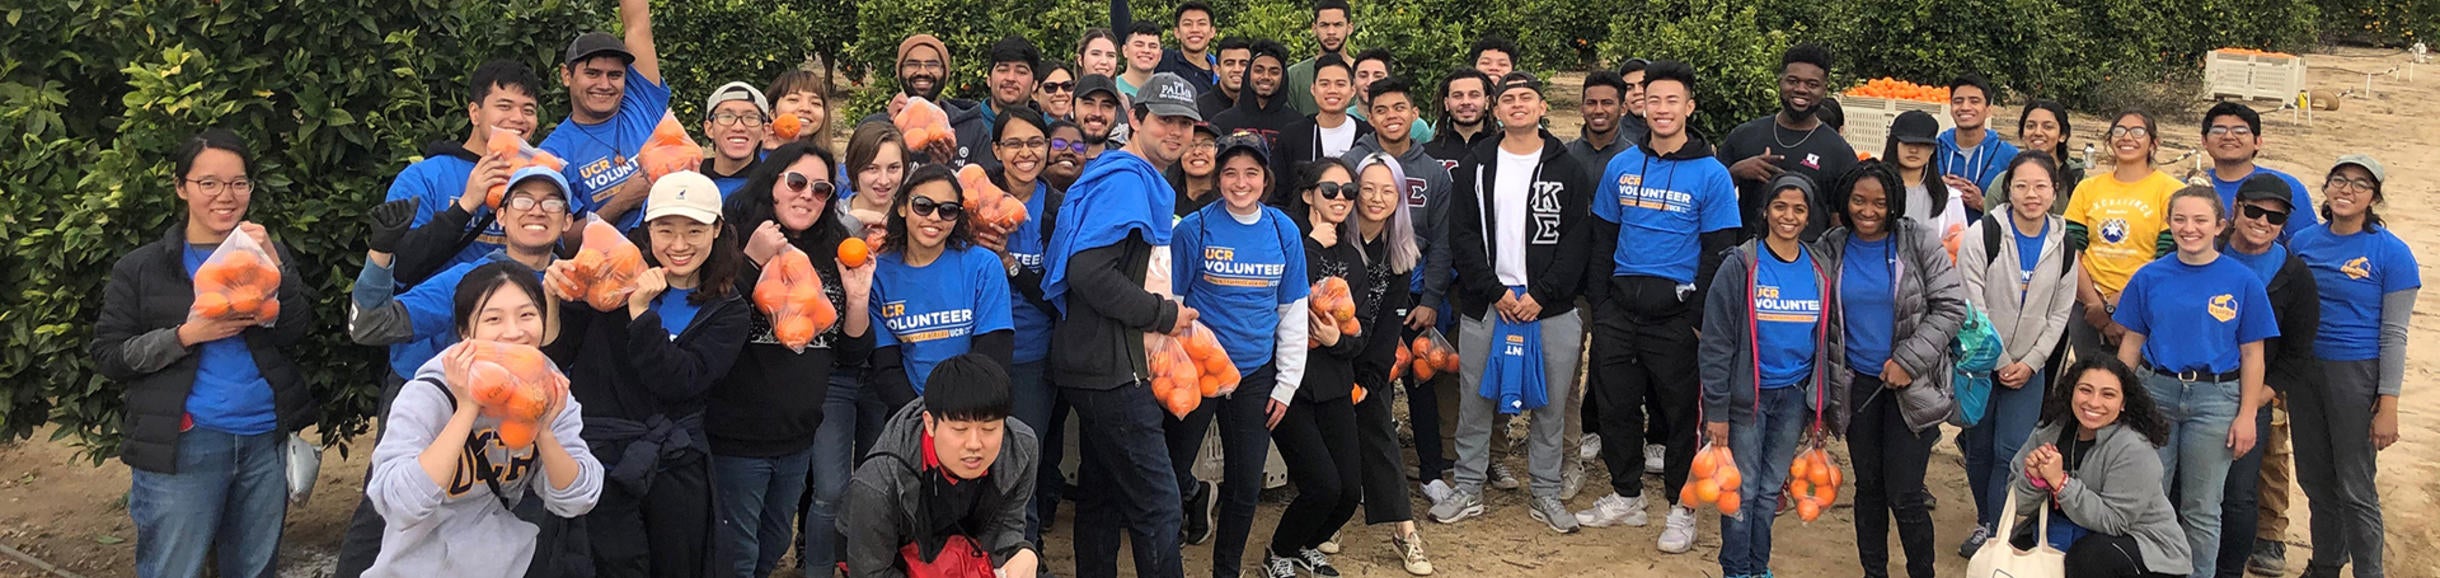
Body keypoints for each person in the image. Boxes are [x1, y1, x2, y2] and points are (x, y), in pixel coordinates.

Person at [91, 129, 316, 578]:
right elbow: (110, 355)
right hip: (186, 444)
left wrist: (276, 262)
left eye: (238, 183)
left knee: (254, 569)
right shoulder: (143, 268)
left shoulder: (263, 253)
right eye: (208, 183)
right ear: (182, 187)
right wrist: (187, 334)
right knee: (174, 568)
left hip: (262, 441)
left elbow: (295, 330)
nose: (225, 196)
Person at [344, 160, 584, 576]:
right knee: (388, 520)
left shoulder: (582, 282)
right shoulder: (472, 279)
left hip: (536, 446)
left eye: (552, 203)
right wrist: (380, 254)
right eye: (523, 199)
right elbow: (371, 324)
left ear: (567, 220)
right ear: (502, 215)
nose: (537, 210)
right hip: (456, 425)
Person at [541, 171, 751, 578]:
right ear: (647, 228)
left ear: (717, 231)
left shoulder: (727, 309)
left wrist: (640, 313)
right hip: (603, 459)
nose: (678, 245)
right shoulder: (609, 280)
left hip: (674, 464)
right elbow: (555, 357)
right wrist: (553, 299)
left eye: (694, 230)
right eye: (665, 229)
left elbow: (680, 382)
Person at [1040, 72, 1205, 578]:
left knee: (1102, 495)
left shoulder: (1126, 176)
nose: (1176, 133)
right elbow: (1089, 272)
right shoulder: (1127, 182)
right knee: (1159, 504)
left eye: (1185, 124)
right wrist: (1164, 315)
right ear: (1135, 119)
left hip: (1093, 362)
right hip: (1111, 368)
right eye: (1164, 121)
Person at [1577, 61, 1740, 554]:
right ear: (1641, 106)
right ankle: (1627, 494)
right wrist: (1602, 305)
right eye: (1654, 100)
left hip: (1676, 317)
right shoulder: (1621, 165)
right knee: (1615, 408)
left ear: (1689, 107)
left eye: (1673, 100)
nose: (1662, 109)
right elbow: (1602, 240)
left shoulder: (1711, 174)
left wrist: (1696, 320)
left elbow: (1720, 251)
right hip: (1619, 312)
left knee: (1676, 416)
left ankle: (1680, 506)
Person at [1427, 72, 1595, 536]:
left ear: (1543, 107)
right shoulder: (1477, 164)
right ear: (1495, 110)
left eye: (1527, 98)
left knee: (1551, 404)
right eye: (1508, 99)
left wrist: (1542, 294)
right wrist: (1494, 290)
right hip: (1489, 305)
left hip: (1551, 308)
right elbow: (1461, 235)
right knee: (1476, 399)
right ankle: (1467, 487)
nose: (1517, 105)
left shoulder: (1567, 166)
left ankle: (1544, 491)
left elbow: (1579, 239)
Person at [359, 263, 605, 578]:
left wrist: (543, 432)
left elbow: (578, 498)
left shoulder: (550, 390)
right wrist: (466, 409)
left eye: (527, 315)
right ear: (465, 333)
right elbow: (399, 505)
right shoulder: (429, 394)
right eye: (493, 319)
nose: (514, 331)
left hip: (506, 565)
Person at [709, 143, 878, 578]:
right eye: (797, 182)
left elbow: (852, 353)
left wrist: (857, 298)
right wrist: (751, 259)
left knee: (774, 546)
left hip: (798, 437)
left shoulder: (835, 251)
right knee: (736, 556)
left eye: (821, 189)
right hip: (738, 438)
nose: (807, 195)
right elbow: (711, 324)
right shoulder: (729, 241)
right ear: (773, 185)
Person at [2111, 186, 2278, 578]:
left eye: (2200, 220)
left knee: (2202, 507)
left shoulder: (2242, 281)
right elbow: (2131, 344)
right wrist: (2120, 400)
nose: (2190, 228)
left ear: (2220, 225)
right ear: (2169, 224)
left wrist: (2247, 415)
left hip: (2216, 399)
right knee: (2151, 496)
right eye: (2180, 219)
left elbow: (2254, 354)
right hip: (2156, 392)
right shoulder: (2149, 276)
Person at [1164, 133, 1309, 578]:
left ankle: (1225, 570)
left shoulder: (1284, 229)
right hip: (1199, 371)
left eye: (1251, 173)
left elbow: (1292, 309)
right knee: (1170, 473)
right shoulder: (1195, 228)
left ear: (1266, 178)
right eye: (1229, 172)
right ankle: (1166, 561)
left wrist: (1286, 384)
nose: (1240, 182)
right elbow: (1173, 300)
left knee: (1245, 482)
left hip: (1254, 373)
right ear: (1216, 175)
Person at [1818, 161, 1969, 578]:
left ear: (1894, 205)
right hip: (1857, 386)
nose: (1869, 211)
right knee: (1869, 488)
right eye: (1859, 201)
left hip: (1912, 386)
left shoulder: (1917, 241)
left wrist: (1908, 360)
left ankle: (1923, 571)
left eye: (1880, 203)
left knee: (1904, 492)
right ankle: (1874, 572)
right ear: (1846, 202)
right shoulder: (1832, 246)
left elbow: (1952, 307)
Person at [1699, 174, 1841, 578]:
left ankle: (1757, 566)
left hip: (1793, 398)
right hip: (1749, 400)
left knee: (1767, 490)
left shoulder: (1819, 268)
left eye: (1798, 209)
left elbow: (1826, 342)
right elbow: (1716, 343)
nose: (1788, 216)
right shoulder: (1742, 265)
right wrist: (1718, 410)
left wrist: (1820, 408)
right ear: (1765, 210)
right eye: (1780, 207)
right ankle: (1735, 568)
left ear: (1809, 215)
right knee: (1740, 490)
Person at [2288, 154, 2415, 578]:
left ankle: (2368, 571)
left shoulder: (2392, 253)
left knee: (2355, 487)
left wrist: (2388, 403)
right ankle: (2325, 563)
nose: (2347, 190)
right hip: (2305, 372)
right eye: (2339, 180)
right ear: (2325, 189)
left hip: (2356, 375)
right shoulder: (2302, 243)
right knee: (2315, 479)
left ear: (2374, 197)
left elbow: (2394, 333)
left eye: (2361, 185)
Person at [1954, 151, 2079, 556]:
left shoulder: (2064, 244)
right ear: (2008, 190)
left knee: (2012, 452)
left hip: (2031, 367)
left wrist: (2031, 362)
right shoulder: (1984, 234)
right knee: (1979, 449)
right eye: (2022, 185)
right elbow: (1973, 304)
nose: (2031, 194)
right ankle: (1984, 520)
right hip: (1980, 365)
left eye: (2041, 186)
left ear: (2054, 192)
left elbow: (2060, 313)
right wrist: (2002, 360)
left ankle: (1997, 533)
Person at [1259, 160, 1375, 578]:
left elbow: (1359, 332)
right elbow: (1277, 296)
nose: (1341, 198)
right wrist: (1309, 243)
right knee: (1322, 485)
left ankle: (1305, 545)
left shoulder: (1353, 259)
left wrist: (1336, 341)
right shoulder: (1286, 242)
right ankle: (1279, 552)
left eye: (1349, 190)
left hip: (1334, 383)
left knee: (1347, 492)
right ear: (1308, 195)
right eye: (1331, 190)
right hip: (1291, 386)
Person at [1343, 76, 1458, 482]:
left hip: (1414, 290)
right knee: (1371, 383)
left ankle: (1430, 473)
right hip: (1363, 292)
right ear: (1368, 116)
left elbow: (1443, 241)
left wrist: (1430, 298)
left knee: (1421, 380)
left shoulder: (1434, 172)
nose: (1391, 117)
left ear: (1415, 114)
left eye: (1399, 109)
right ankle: (1361, 473)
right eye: (1381, 110)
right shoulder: (1355, 164)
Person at [838, 354, 1043, 578]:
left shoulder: (1020, 448)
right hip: (883, 551)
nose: (975, 444)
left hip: (964, 540)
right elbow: (871, 571)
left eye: (989, 429)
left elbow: (1008, 523)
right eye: (960, 429)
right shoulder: (879, 483)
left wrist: (1023, 552)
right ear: (930, 423)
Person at [969, 107, 1071, 550]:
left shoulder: (1057, 210)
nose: (1025, 153)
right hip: (972, 349)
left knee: (1021, 460)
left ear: (1047, 149)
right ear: (996, 150)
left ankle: (1022, 551)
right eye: (1013, 143)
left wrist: (1009, 262)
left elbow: (1058, 297)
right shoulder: (972, 200)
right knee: (972, 457)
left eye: (1034, 143)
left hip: (1032, 352)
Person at [2213, 174, 2320, 578]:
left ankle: (2229, 570)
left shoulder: (2294, 275)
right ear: (2236, 208)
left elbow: (2297, 348)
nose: (2262, 221)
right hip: (2196, 389)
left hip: (2253, 397)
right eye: (2255, 210)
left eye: (2274, 217)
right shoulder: (2205, 251)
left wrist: (2261, 395)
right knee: (2187, 489)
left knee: (2240, 493)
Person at [2005, 356, 2194, 578]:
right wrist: (2034, 480)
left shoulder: (2134, 448)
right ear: (2071, 392)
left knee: (2089, 557)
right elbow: (2018, 505)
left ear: (2123, 403)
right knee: (2016, 554)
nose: (2094, 403)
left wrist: (2061, 483)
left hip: (2146, 550)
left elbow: (2113, 522)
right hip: (2068, 532)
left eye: (2108, 394)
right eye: (2085, 390)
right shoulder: (2049, 431)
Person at [1345, 153, 1436, 575]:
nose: (1377, 198)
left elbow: (1390, 324)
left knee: (1378, 431)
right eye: (1369, 188)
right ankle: (1333, 520)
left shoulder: (1400, 249)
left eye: (1388, 190)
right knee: (1335, 440)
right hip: (1325, 353)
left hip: (1371, 358)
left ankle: (1405, 531)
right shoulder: (1335, 240)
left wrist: (1371, 376)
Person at [377, 60, 543, 286]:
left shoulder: (538, 179)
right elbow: (400, 266)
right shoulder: (423, 176)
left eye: (528, 110)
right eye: (504, 106)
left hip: (513, 315)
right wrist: (465, 206)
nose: (518, 118)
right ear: (475, 113)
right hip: (436, 314)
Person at [869, 164, 1016, 407]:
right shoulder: (879, 274)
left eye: (948, 210)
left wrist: (959, 416)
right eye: (923, 206)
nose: (935, 217)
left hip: (973, 408)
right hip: (910, 411)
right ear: (902, 207)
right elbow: (886, 365)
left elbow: (994, 351)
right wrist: (918, 419)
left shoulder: (982, 265)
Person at [2064, 112, 2180, 368]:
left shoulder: (2170, 190)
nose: (2127, 137)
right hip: (2086, 307)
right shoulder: (2087, 188)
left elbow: (2165, 258)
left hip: (2143, 304)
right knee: (2091, 383)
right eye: (2119, 131)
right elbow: (2072, 251)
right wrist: (2095, 304)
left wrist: (2115, 307)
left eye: (2138, 131)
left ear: (2154, 143)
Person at [539, 0, 665, 231]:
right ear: (567, 76)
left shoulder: (641, 103)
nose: (604, 84)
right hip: (614, 263)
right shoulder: (552, 155)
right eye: (592, 73)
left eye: (615, 75)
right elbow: (558, 242)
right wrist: (622, 202)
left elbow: (638, 26)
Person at [1718, 43, 1858, 241]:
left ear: (1824, 89)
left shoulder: (1839, 152)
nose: (1801, 89)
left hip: (1808, 263)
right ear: (1780, 82)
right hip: (1747, 260)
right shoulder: (1744, 136)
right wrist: (1734, 174)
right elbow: (1709, 203)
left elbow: (1841, 225)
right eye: (1793, 81)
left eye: (1812, 84)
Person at [858, 34, 992, 168]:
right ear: (900, 71)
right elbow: (856, 182)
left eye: (932, 64)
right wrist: (892, 132)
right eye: (912, 64)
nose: (923, 71)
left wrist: (944, 167)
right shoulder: (874, 127)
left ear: (945, 72)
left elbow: (983, 184)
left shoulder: (973, 129)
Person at [2201, 102, 2319, 242]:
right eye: (2218, 130)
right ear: (2204, 141)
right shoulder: (2189, 187)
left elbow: (2306, 244)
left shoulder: (2287, 187)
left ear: (2258, 141)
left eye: (2240, 131)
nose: (2228, 136)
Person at [1273, 55, 1374, 184]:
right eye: (1324, 84)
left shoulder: (1368, 135)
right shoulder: (1292, 135)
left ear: (1352, 90)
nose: (1332, 90)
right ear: (1313, 89)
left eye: (1340, 84)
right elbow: (1279, 191)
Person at [1883, 111, 1971, 252]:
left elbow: (1958, 247)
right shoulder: (1877, 190)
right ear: (1895, 144)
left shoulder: (1950, 199)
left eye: (1922, 144)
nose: (1914, 149)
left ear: (1932, 150)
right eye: (1907, 142)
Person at [1937, 74, 2016, 216]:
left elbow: (2020, 211)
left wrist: (1981, 203)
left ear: (1988, 109)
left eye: (1974, 101)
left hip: (1988, 237)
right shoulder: (1933, 150)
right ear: (1951, 108)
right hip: (1937, 237)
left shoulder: (2009, 156)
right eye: (1958, 101)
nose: (1965, 107)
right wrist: (1935, 186)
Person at [1983, 100, 2081, 214]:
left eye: (2048, 127)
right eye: (2030, 126)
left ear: (2062, 136)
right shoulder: (2002, 183)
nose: (2038, 132)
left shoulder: (2078, 181)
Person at [1211, 40, 1299, 165]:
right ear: (1248, 74)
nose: (1266, 77)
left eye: (1274, 72)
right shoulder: (1222, 122)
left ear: (1283, 77)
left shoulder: (1297, 126)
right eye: (1259, 70)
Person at [972, 35, 1045, 171]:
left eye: (1021, 72)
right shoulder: (967, 126)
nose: (1011, 78)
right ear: (988, 79)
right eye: (1003, 70)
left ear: (1035, 84)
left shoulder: (1050, 128)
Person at [1348, 49, 1436, 143]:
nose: (1370, 82)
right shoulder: (1344, 119)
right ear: (1353, 81)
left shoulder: (1417, 126)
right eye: (1363, 76)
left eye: (1378, 76)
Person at [699, 81, 769, 198]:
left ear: (764, 131)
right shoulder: (689, 181)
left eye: (750, 117)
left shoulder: (774, 186)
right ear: (709, 128)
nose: (738, 127)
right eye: (727, 116)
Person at [1283, 0, 1352, 115]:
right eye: (1324, 25)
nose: (1331, 32)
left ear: (1349, 28)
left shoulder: (1364, 74)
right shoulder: (1294, 76)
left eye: (1338, 25)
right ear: (1314, 29)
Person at [843, 121, 912, 236]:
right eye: (872, 168)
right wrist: (853, 221)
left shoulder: (912, 218)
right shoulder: (830, 215)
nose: (883, 181)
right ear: (854, 168)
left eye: (893, 168)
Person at [1567, 70, 1633, 179]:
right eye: (1591, 103)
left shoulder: (1634, 159)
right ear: (1582, 108)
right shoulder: (1565, 155)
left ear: (1623, 109)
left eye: (1607, 103)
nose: (1598, 110)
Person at [1423, 69, 1494, 168]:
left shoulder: (1502, 150)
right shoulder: (1426, 154)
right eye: (1457, 96)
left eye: (1474, 95)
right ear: (1446, 104)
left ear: (1487, 102)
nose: (1466, 102)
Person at [764, 69, 836, 155]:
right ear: (772, 112)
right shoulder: (751, 161)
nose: (806, 108)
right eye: (794, 100)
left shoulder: (835, 167)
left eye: (815, 103)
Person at [1158, 1, 1222, 88]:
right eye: (1187, 24)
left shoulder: (1220, 73)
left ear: (1212, 32)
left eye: (1201, 23)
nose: (1194, 29)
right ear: (1177, 32)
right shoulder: (1162, 60)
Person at [1169, 122, 1222, 215]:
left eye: (1206, 145)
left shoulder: (1228, 202)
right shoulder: (1165, 197)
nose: (1197, 152)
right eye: (1190, 145)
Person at [1076, 74, 1132, 158]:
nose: (1097, 113)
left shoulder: (1125, 161)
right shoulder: (1053, 158)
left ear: (1116, 113)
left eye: (1107, 106)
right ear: (1071, 107)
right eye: (1088, 103)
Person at [1198, 38, 1253, 119]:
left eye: (1243, 64)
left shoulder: (1261, 105)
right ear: (1217, 70)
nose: (1237, 69)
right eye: (1229, 64)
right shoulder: (1200, 107)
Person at [1117, 21, 1165, 99]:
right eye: (1139, 45)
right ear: (1125, 51)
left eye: (1153, 46)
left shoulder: (1167, 93)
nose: (1146, 50)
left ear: (1160, 55)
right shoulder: (1112, 89)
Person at [1614, 59, 1652, 150]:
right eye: (1629, 88)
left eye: (1643, 85)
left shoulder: (1677, 129)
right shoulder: (1614, 134)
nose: (1637, 92)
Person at [1044, 120, 1090, 192]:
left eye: (1078, 147)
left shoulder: (1093, 197)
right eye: (1058, 144)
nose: (1069, 152)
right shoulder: (1023, 196)